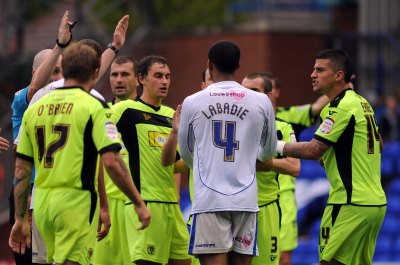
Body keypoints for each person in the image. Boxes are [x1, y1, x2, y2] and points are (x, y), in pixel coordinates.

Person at [9, 41, 151, 265]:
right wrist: (138, 202)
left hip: (41, 203)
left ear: (64, 69)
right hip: (75, 202)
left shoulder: (35, 107)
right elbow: (112, 161)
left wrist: (19, 217)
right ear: (96, 72)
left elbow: (21, 168)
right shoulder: (94, 105)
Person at [276, 49, 386, 264]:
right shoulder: (361, 102)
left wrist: (276, 146)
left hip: (350, 203)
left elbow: (313, 150)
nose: (312, 74)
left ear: (338, 76)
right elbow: (378, 144)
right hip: (374, 204)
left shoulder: (340, 106)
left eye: (320, 69)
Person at [178, 40, 277, 265]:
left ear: (210, 65)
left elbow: (186, 152)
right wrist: (249, 156)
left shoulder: (192, 102)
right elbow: (269, 150)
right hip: (246, 198)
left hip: (209, 199)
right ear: (238, 65)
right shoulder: (262, 101)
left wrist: (207, 165)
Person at [110, 55, 190, 265]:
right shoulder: (124, 110)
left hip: (172, 205)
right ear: (141, 78)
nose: (164, 81)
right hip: (145, 201)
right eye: (158, 76)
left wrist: (197, 157)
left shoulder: (171, 115)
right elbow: (96, 135)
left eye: (167, 77)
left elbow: (173, 164)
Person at [242, 72, 300, 265]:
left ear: (268, 96)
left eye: (254, 91)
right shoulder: (232, 125)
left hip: (266, 208)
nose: (248, 95)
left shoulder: (281, 127)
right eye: (244, 91)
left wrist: (265, 164)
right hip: (235, 207)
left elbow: (294, 166)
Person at [92, 55, 138, 265]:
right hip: (107, 205)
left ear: (138, 79)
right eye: (114, 75)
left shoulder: (150, 113)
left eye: (125, 74)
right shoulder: (98, 113)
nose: (119, 80)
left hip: (137, 203)